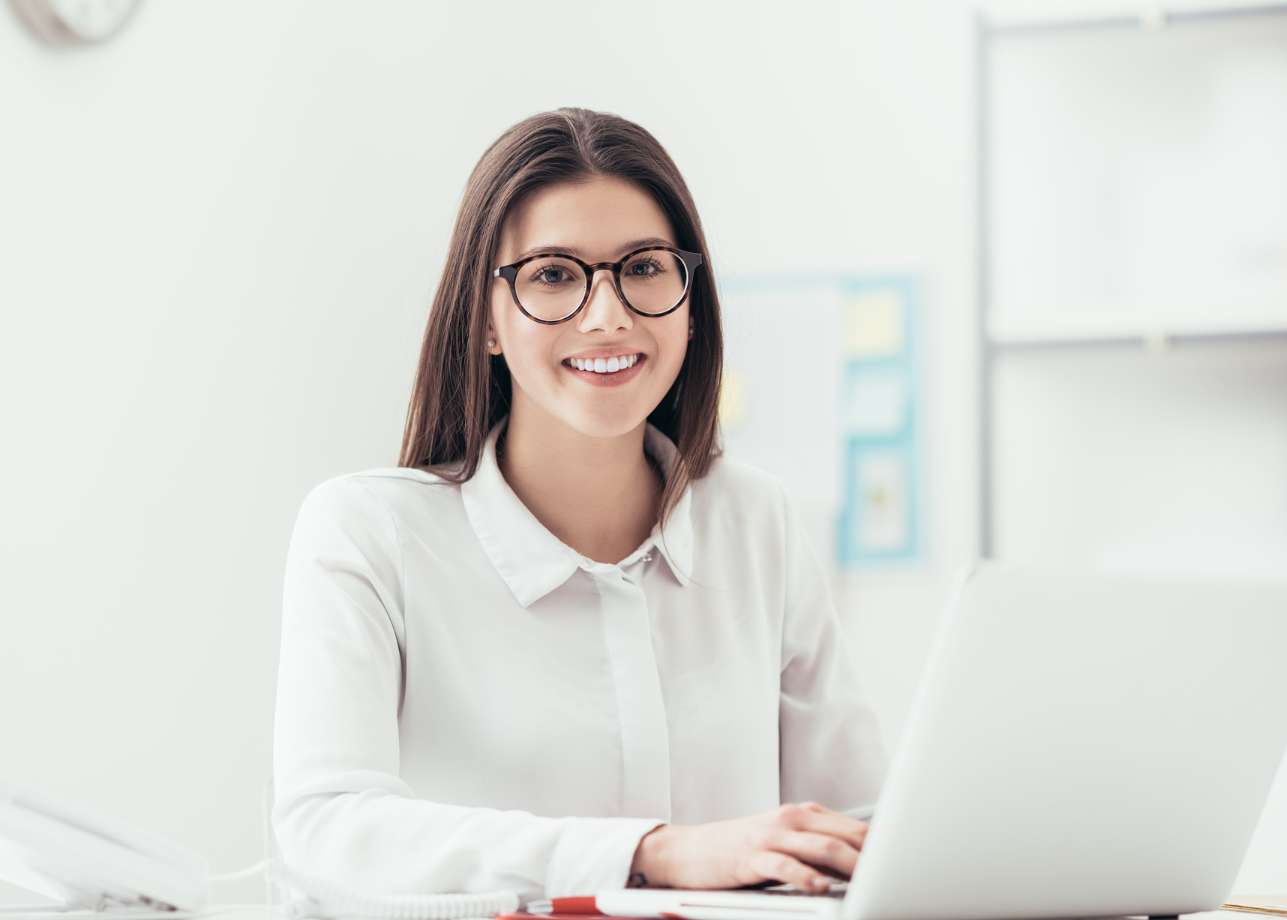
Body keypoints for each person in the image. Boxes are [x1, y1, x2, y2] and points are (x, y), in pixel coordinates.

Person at [271, 106, 887, 904]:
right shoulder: (368, 533)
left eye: (644, 267)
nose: (608, 314)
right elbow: (330, 828)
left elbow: (853, 821)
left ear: (691, 304)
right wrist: (654, 854)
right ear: (486, 320)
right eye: (554, 274)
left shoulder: (755, 521)